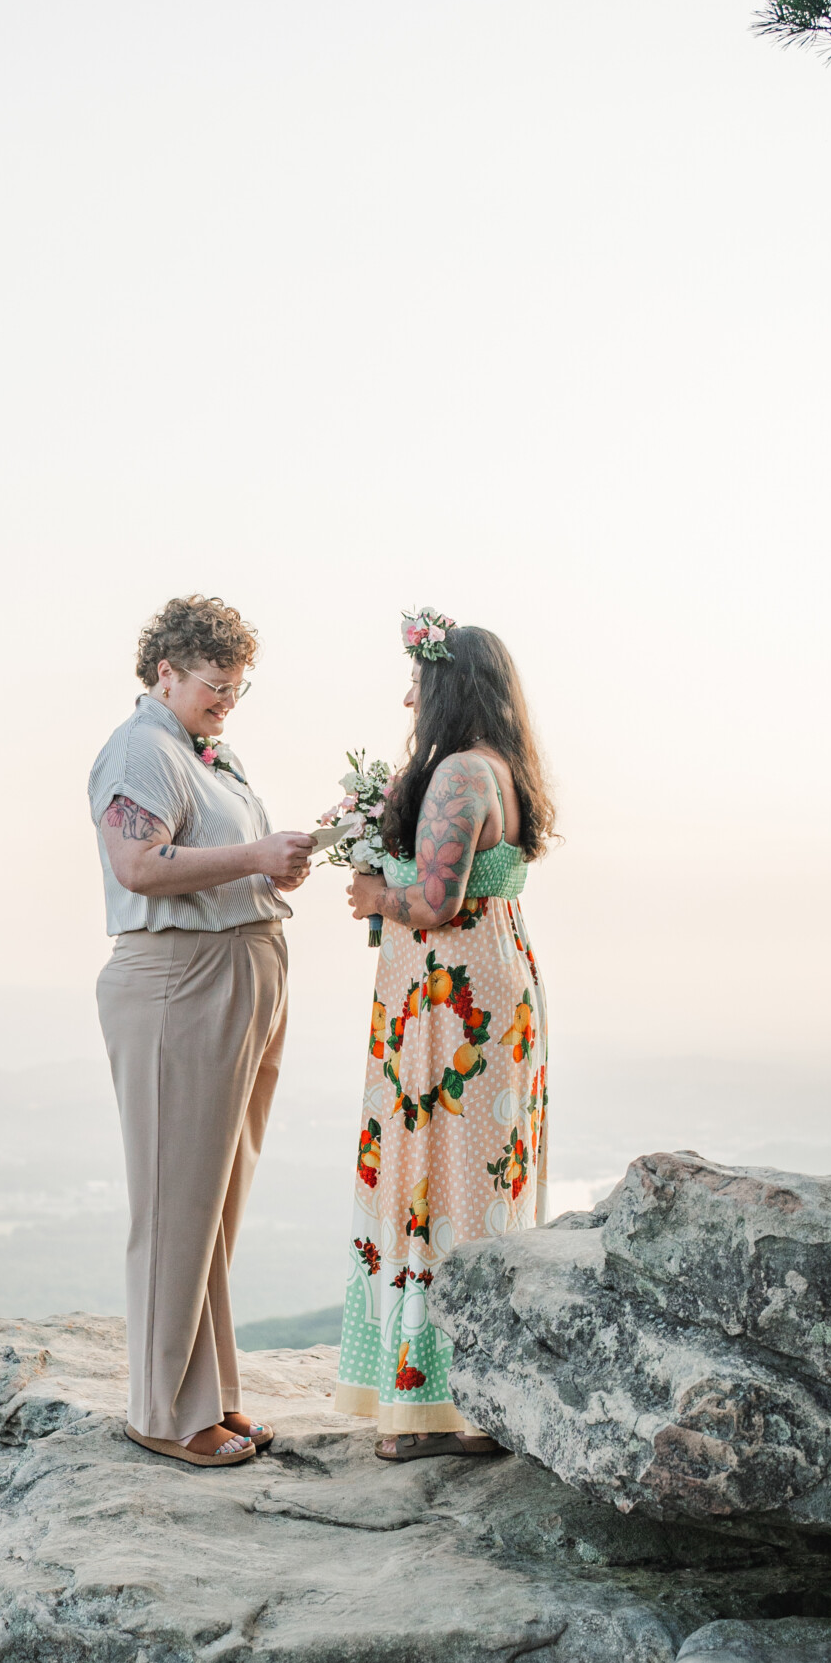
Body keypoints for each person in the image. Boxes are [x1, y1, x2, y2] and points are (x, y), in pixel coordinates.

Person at [89, 595, 314, 1470]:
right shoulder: (139, 749)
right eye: (214, 686)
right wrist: (257, 859)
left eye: (236, 689)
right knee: (175, 1199)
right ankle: (160, 1410)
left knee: (215, 1203)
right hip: (180, 979)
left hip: (239, 971)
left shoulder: (204, 752)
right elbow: (137, 864)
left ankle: (208, 1394)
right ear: (164, 674)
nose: (226, 701)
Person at [334, 613, 553, 1460]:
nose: (406, 697)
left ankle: (429, 1408)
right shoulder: (498, 766)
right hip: (484, 982)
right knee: (477, 1172)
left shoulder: (461, 774)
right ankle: (469, 1391)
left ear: (447, 687)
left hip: (448, 997)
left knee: (438, 1176)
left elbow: (434, 902)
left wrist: (370, 895)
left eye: (417, 682)